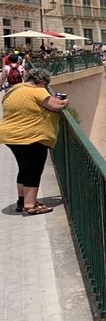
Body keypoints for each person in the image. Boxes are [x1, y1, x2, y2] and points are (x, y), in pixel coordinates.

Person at [0, 68, 67, 214]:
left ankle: (21, 201)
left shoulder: (15, 89)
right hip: (31, 137)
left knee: (24, 169)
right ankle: (30, 206)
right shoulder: (38, 91)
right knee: (33, 171)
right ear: (42, 83)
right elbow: (57, 106)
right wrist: (65, 101)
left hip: (10, 136)